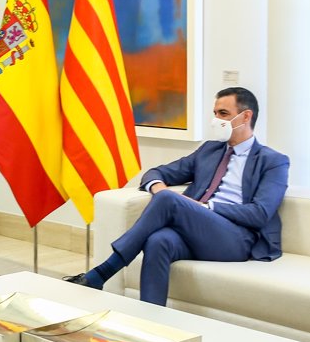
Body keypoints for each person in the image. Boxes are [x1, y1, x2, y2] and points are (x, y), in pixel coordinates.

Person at [65, 87, 289, 305]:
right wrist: (157, 187)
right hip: (198, 231)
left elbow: (260, 214)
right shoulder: (209, 150)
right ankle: (153, 323)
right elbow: (156, 173)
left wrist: (207, 207)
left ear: (245, 116)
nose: (216, 120)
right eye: (215, 113)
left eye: (223, 114)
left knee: (169, 199)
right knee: (158, 240)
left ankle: (103, 272)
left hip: (237, 238)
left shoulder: (273, 161)